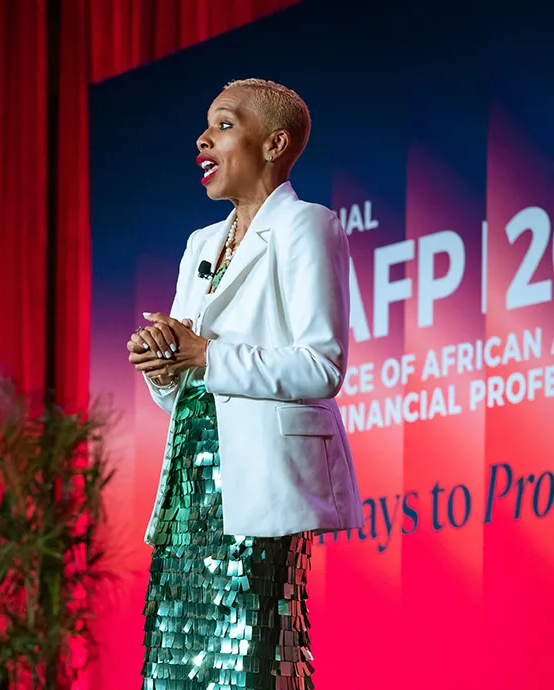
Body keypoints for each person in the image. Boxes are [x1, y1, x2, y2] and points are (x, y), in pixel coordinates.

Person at [128, 79, 363, 688]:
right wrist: (162, 361)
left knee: (256, 654)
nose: (204, 138)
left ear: (275, 143)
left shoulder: (307, 226)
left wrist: (205, 354)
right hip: (192, 488)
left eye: (225, 125)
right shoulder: (200, 243)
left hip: (259, 486)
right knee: (176, 657)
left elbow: (322, 367)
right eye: (208, 125)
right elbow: (186, 380)